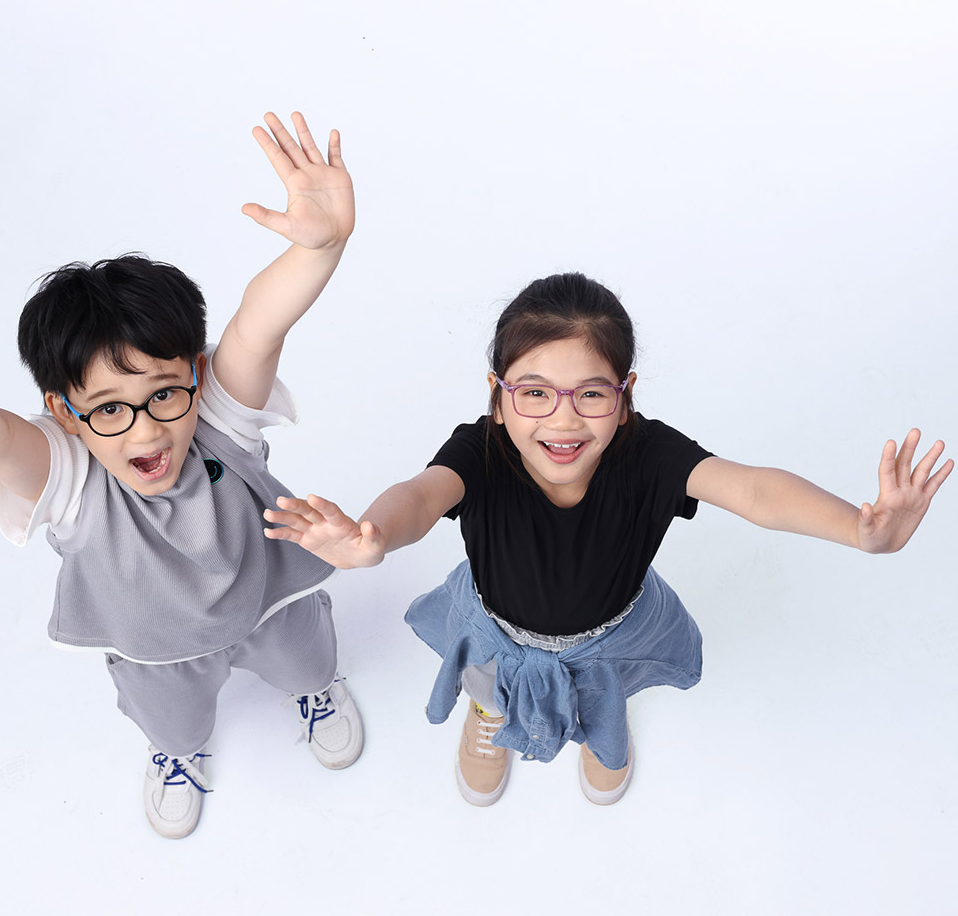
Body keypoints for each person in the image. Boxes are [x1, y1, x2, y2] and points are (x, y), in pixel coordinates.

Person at [0, 113, 363, 838]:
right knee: (175, 719)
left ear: (194, 373)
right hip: (157, 650)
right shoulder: (66, 471)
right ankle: (178, 752)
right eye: (109, 409)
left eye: (163, 394)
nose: (148, 429)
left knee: (307, 660)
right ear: (64, 412)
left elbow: (259, 324)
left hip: (271, 603)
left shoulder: (217, 415)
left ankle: (314, 692)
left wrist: (321, 248)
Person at [265, 272, 949, 806]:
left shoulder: (646, 454)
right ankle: (491, 715)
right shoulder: (480, 450)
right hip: (496, 625)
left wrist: (861, 531)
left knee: (607, 698)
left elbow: (754, 490)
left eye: (591, 394)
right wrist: (373, 536)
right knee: (489, 682)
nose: (563, 421)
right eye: (534, 392)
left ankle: (603, 734)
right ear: (498, 396)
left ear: (625, 397)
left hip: (613, 634)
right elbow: (420, 494)